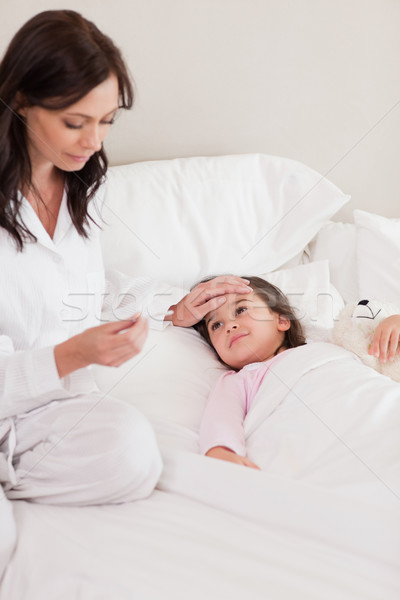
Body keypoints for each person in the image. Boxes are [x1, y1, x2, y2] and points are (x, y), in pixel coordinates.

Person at [0, 10, 251, 506]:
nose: (93, 142)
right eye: (75, 123)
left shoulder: (79, 187)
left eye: (106, 122)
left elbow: (84, 290)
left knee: (134, 452)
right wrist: (69, 356)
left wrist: (174, 309)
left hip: (46, 414)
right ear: (22, 102)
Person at [193, 276, 400, 470]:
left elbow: (378, 353)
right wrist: (221, 451)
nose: (229, 325)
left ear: (282, 320)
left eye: (240, 310)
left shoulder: (330, 342)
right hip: (314, 444)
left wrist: (393, 322)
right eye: (216, 325)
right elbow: (220, 417)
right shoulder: (239, 381)